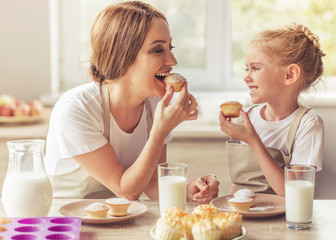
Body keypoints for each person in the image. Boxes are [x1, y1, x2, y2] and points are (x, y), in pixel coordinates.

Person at [44, 1, 219, 202]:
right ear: (122, 56)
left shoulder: (154, 105)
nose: (172, 61)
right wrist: (160, 131)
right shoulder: (76, 109)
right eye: (157, 50)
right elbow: (126, 190)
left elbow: (152, 183)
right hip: (66, 221)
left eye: (170, 47)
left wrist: (187, 192)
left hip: (117, 215)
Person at [219, 23, 325, 196]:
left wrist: (253, 140)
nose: (246, 77)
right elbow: (240, 182)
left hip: (282, 219)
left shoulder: (308, 123)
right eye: (247, 68)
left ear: (290, 75)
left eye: (255, 68)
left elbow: (292, 193)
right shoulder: (248, 117)